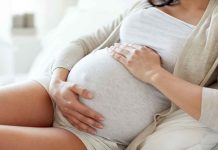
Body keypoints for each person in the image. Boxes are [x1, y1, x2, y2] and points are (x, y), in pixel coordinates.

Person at [0, 0, 217, 150]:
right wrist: (58, 81)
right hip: (52, 94)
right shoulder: (146, 3)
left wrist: (153, 73)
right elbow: (81, 43)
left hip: (93, 134)